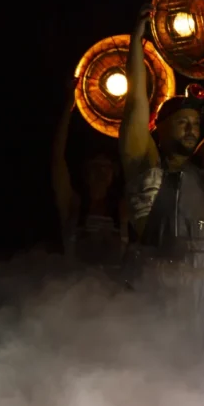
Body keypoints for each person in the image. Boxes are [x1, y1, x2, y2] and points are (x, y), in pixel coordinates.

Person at [119, 4, 204, 343]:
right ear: (159, 129)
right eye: (182, 122)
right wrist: (136, 42)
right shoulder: (147, 170)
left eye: (195, 123)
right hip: (159, 310)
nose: (191, 129)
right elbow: (135, 105)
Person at [51, 79, 128, 270]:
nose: (100, 172)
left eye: (106, 167)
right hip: (76, 283)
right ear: (85, 173)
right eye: (95, 167)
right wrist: (68, 109)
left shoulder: (122, 209)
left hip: (113, 285)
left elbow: (140, 164)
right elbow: (57, 158)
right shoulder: (73, 204)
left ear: (114, 173)